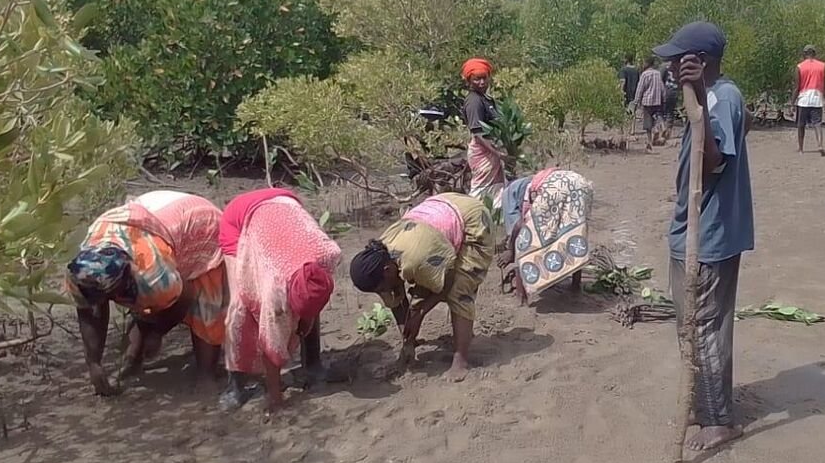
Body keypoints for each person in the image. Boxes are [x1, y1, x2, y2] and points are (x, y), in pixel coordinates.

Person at [653, 21, 754, 453]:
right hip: (691, 228)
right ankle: (699, 399)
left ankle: (718, 419)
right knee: (688, 322)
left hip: (709, 234)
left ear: (702, 62)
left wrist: (697, 106)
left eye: (680, 59)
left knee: (706, 324)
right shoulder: (706, 97)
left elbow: (714, 162)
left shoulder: (723, 98)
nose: (672, 66)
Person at [66, 190, 226, 396]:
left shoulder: (152, 275)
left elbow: (184, 295)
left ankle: (207, 375)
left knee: (205, 300)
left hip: (198, 222)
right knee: (144, 306)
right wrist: (93, 362)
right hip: (154, 214)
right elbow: (89, 311)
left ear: (125, 280)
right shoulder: (79, 272)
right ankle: (133, 360)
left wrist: (157, 331)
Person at [218, 189, 341, 412]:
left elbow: (312, 297)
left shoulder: (328, 254)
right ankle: (235, 385)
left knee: (311, 293)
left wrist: (307, 317)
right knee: (239, 307)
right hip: (239, 220)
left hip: (284, 202)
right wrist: (275, 398)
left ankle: (312, 366)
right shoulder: (275, 288)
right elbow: (270, 347)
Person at [349, 192, 493, 383]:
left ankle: (461, 361)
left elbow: (448, 279)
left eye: (381, 288)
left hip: (471, 219)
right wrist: (408, 339)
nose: (383, 293)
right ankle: (422, 342)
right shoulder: (382, 254)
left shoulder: (414, 260)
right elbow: (396, 298)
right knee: (422, 291)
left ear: (387, 270)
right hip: (438, 216)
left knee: (460, 290)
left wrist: (421, 313)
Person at [498, 168, 594, 305]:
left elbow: (518, 226)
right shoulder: (530, 183)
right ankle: (575, 285)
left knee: (523, 241)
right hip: (581, 184)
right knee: (575, 233)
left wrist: (511, 251)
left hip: (557, 188)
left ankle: (521, 296)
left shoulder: (509, 195)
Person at [462, 57, 506, 208]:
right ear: (469, 80)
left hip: (490, 150)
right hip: (483, 152)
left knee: (495, 190)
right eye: (476, 79)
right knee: (482, 190)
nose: (481, 83)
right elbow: (478, 133)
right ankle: (472, 217)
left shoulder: (485, 99)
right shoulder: (474, 101)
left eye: (484, 78)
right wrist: (498, 152)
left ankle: (493, 222)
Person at [794, 45, 825, 155]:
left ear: (804, 54)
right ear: (814, 53)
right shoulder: (822, 66)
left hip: (803, 98)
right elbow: (824, 85)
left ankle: (801, 149)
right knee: (817, 123)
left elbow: (797, 86)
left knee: (801, 125)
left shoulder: (800, 67)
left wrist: (792, 101)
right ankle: (820, 145)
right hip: (817, 97)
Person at [633, 56, 667, 151]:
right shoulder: (657, 73)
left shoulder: (645, 74)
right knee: (658, 116)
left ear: (647, 63)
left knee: (648, 122)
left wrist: (636, 101)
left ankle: (649, 141)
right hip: (657, 100)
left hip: (647, 101)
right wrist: (663, 98)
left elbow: (640, 88)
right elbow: (661, 86)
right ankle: (661, 127)